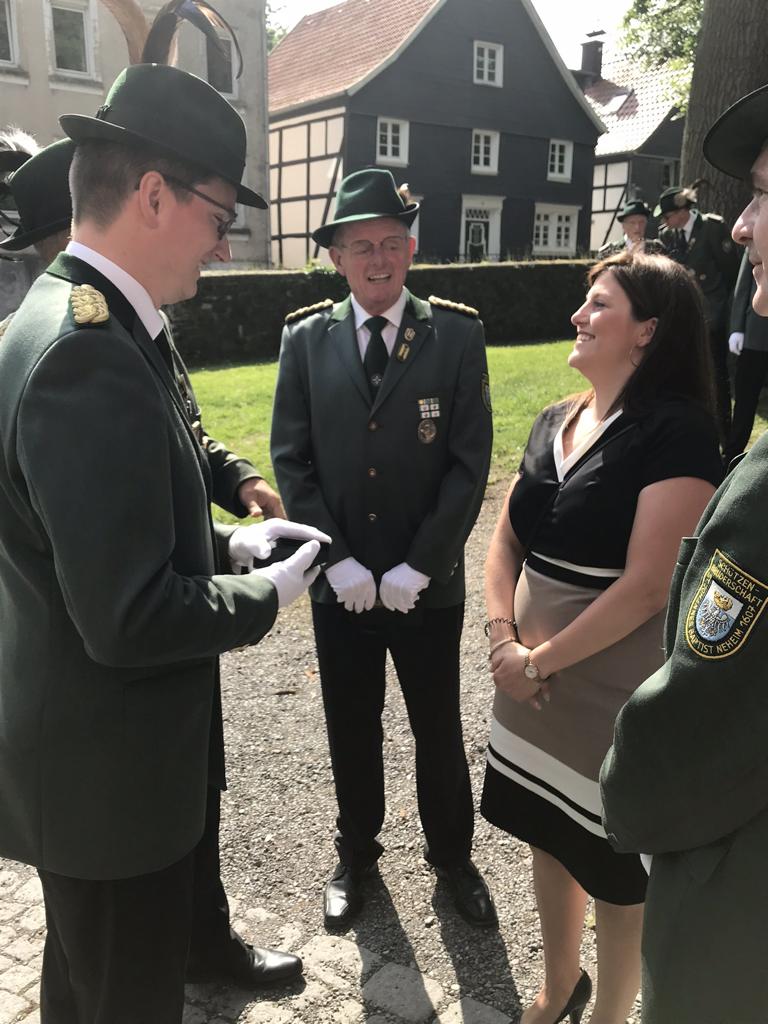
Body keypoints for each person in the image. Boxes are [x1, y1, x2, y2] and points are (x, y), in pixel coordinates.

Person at [0, 62, 331, 1024]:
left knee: (86, 989)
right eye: (219, 216)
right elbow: (129, 617)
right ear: (153, 195)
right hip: (112, 785)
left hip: (90, 768)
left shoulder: (76, 317)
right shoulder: (87, 354)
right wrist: (271, 593)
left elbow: (99, 531)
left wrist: (227, 546)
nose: (224, 246)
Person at [482, 251, 722, 1024]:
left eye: (599, 304)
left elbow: (649, 585)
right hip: (528, 686)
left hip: (605, 699)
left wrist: (537, 661)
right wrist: (501, 639)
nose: (577, 316)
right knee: (547, 835)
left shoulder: (679, 433)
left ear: (648, 330)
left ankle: (612, 1015)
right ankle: (559, 987)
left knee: (618, 875)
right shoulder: (556, 417)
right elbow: (504, 539)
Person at [271, 167, 496, 931]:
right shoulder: (305, 339)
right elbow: (292, 460)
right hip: (343, 586)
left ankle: (453, 857)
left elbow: (469, 461)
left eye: (392, 242)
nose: (378, 259)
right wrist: (334, 560)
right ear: (335, 256)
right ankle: (356, 855)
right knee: (351, 723)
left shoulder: (456, 334)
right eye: (361, 246)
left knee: (437, 724)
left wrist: (421, 563)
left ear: (412, 248)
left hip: (425, 586)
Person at [601, 82, 768, 1024]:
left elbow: (698, 720)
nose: (741, 226)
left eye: (764, 195)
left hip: (738, 918)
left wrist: (625, 789)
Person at [656, 184, 740, 440]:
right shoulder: (668, 236)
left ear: (683, 211)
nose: (665, 222)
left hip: (713, 317)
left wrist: (724, 313)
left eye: (668, 216)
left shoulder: (712, 228)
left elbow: (731, 273)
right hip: (684, 318)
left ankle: (724, 435)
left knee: (717, 378)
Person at [723, 247, 768, 467]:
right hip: (756, 333)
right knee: (745, 402)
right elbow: (743, 287)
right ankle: (731, 456)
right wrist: (737, 327)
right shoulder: (759, 235)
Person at [597, 199, 666, 258]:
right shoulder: (609, 251)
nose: (637, 227)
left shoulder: (657, 248)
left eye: (641, 222)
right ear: (623, 226)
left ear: (646, 223)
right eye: (632, 223)